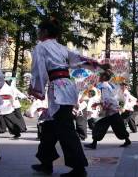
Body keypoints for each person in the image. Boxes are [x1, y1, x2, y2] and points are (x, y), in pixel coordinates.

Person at [28, 18, 101, 177]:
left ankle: (79, 167)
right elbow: (80, 60)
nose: (38, 33)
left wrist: (36, 89)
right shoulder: (62, 48)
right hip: (66, 86)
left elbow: (38, 70)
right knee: (50, 127)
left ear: (45, 32)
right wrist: (99, 66)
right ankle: (46, 162)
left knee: (65, 129)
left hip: (58, 90)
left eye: (39, 30)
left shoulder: (41, 47)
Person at [84, 70, 131, 149]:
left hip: (110, 110)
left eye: (100, 76)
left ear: (104, 77)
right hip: (112, 109)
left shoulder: (104, 86)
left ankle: (94, 143)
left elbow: (107, 99)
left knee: (99, 126)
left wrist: (103, 107)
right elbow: (108, 99)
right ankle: (127, 140)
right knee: (118, 126)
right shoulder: (107, 85)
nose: (99, 77)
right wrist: (98, 104)